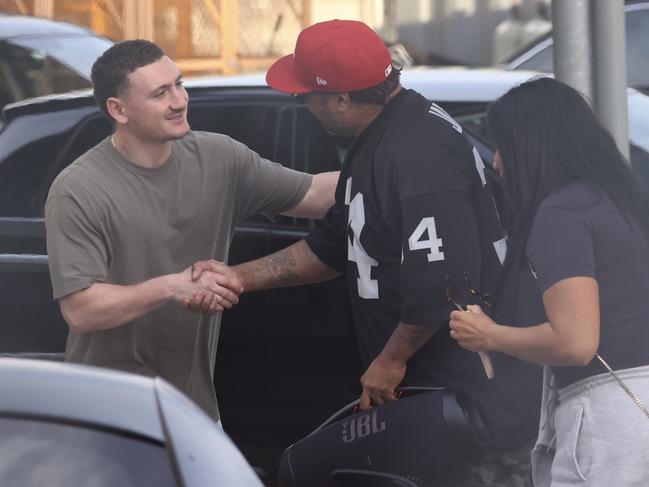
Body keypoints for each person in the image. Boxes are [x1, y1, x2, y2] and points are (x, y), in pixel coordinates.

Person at [189, 19, 542, 485]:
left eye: (305, 94)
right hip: (424, 389)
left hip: (460, 394)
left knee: (304, 471)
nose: (302, 104)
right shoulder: (380, 136)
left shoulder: (418, 151)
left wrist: (391, 360)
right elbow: (336, 245)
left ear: (340, 99)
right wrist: (238, 276)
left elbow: (442, 283)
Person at [44, 39, 338, 423]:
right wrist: (172, 287)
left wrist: (393, 164)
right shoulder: (78, 188)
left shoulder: (220, 157)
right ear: (118, 109)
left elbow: (316, 194)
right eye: (160, 93)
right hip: (107, 418)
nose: (180, 100)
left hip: (194, 413)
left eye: (180, 84)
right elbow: (81, 310)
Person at [449, 77, 649, 487]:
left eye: (503, 145)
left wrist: (489, 335)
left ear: (532, 146)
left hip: (610, 423)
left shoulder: (561, 213)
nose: (497, 161)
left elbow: (575, 342)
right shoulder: (617, 201)